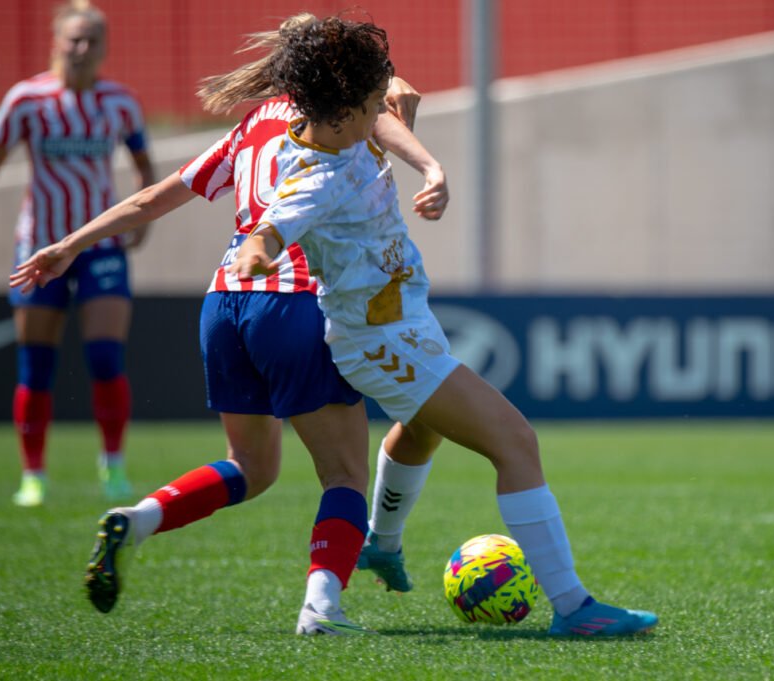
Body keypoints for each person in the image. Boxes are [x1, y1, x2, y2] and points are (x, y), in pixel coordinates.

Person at [222, 16, 659, 637]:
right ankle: (573, 607)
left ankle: (380, 543)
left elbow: (384, 116)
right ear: (345, 110)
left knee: (422, 429)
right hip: (379, 339)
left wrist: (428, 164)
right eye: (374, 103)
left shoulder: (335, 130)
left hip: (403, 322)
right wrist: (255, 251)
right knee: (516, 441)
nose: (385, 111)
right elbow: (273, 225)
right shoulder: (317, 177)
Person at [10, 14, 447, 634]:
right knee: (345, 474)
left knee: (251, 466)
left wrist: (69, 245)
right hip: (292, 298)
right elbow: (382, 120)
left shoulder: (253, 125)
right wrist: (428, 163)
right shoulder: (333, 118)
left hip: (224, 302)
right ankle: (323, 607)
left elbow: (152, 198)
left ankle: (139, 519)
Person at [0, 0, 154, 507]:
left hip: (100, 246)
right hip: (39, 247)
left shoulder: (120, 102)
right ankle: (33, 475)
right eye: (73, 38)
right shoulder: (27, 99)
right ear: (56, 41)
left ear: (103, 47)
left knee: (105, 357)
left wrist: (142, 219)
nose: (81, 48)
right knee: (36, 364)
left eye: (91, 40)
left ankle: (113, 466)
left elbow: (143, 164)